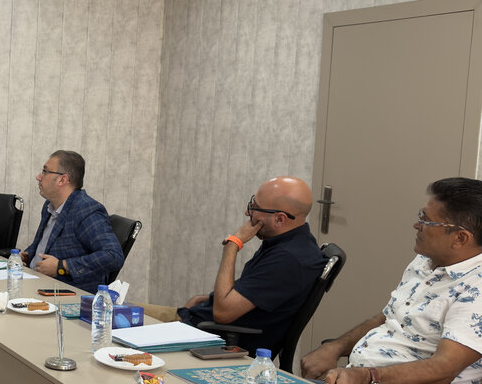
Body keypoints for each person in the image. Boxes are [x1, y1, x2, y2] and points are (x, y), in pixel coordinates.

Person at [301, 178, 482, 384]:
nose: (416, 225)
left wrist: (368, 376)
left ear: (460, 238)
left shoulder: (476, 289)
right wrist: (335, 347)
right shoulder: (425, 261)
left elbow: (443, 368)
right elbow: (390, 316)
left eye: (426, 220)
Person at [141, 176, 326, 355]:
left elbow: (223, 314)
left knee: (123, 320)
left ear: (279, 219)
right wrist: (205, 300)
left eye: (254, 207)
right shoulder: (293, 242)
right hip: (193, 320)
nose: (247, 213)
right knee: (123, 309)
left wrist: (233, 244)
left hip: (205, 338)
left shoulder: (288, 260)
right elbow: (252, 297)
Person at [22, 150, 123, 294]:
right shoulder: (49, 206)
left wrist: (61, 266)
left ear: (62, 180)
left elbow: (113, 256)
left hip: (66, 294)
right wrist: (28, 255)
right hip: (36, 281)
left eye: (45, 171)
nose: (38, 177)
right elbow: (45, 244)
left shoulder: (86, 210)